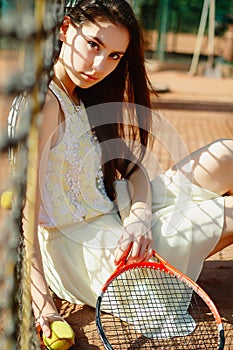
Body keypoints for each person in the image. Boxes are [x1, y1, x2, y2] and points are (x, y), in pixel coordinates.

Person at [11, 0, 233, 342]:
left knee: (225, 154)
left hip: (119, 211)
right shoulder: (42, 103)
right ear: (66, 29)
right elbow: (22, 217)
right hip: (86, 250)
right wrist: (44, 308)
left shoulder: (83, 95)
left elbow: (132, 169)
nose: (100, 65)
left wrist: (140, 217)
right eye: (93, 45)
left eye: (115, 56)